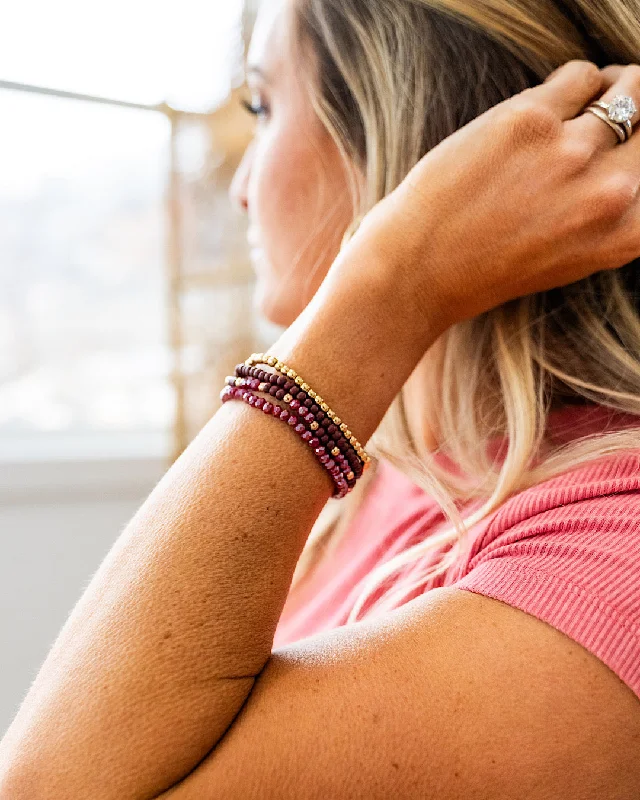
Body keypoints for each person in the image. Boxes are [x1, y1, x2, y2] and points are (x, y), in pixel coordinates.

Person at [1, 0, 640, 797]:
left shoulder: (610, 556)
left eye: (263, 107)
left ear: (404, 140)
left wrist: (387, 283)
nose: (238, 188)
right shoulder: (398, 469)